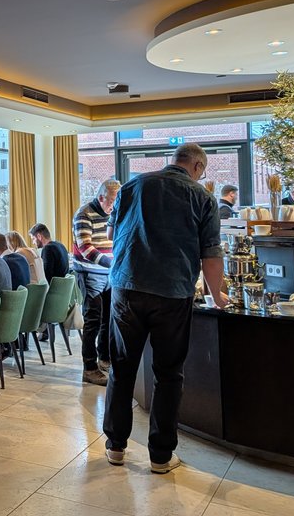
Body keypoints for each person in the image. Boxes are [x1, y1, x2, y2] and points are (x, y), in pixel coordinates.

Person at [104, 142, 228, 474]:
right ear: (197, 166)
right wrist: (217, 296)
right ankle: (160, 456)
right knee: (168, 373)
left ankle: (115, 446)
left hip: (127, 287)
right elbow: (211, 254)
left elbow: (112, 232)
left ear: (174, 160)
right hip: (172, 293)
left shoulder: (133, 185)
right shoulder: (203, 197)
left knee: (121, 368)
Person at [73, 179, 120, 386]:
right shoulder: (84, 214)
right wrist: (113, 263)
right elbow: (85, 248)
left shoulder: (113, 213)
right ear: (101, 198)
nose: (114, 207)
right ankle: (89, 368)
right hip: (90, 273)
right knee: (92, 320)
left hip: (109, 274)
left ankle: (105, 359)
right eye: (111, 202)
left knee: (108, 319)